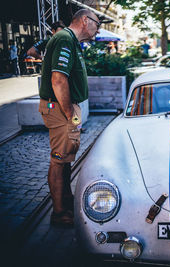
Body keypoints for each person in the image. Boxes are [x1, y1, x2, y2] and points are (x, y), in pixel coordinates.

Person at [38, 9, 100, 227]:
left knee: (65, 159)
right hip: (61, 110)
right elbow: (58, 79)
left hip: (66, 109)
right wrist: (70, 114)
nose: (97, 29)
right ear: (85, 20)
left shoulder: (71, 41)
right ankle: (59, 213)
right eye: (96, 23)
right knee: (58, 160)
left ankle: (65, 201)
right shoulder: (64, 39)